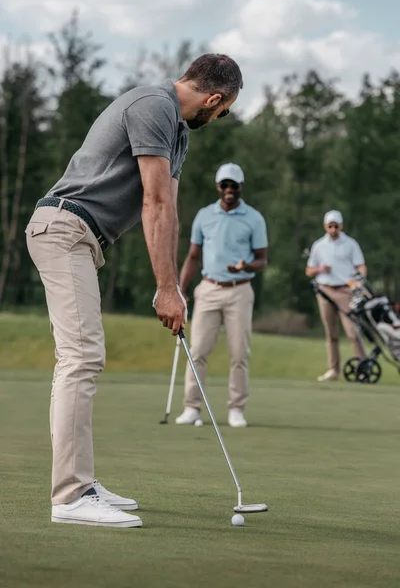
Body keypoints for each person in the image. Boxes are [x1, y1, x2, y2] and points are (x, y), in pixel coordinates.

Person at [24, 53, 243, 528]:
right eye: (224, 111)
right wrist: (165, 289)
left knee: (84, 356)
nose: (220, 118)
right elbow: (155, 200)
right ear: (214, 98)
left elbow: (170, 211)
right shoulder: (153, 105)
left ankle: (82, 482)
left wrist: (173, 289)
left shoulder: (177, 131)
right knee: (81, 356)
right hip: (63, 227)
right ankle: (71, 496)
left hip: (83, 239)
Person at [175, 162, 268, 428]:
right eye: (225, 185)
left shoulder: (254, 218)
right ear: (218, 187)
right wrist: (180, 290)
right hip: (208, 288)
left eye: (234, 185)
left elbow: (262, 260)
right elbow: (194, 256)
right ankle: (192, 408)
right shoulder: (205, 216)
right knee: (198, 351)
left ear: (241, 188)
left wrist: (245, 265)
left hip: (239, 290)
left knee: (239, 353)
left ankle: (236, 409)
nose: (229, 190)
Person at [306, 210, 367, 382]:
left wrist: (359, 282)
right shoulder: (319, 245)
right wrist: (320, 269)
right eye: (330, 226)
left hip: (345, 291)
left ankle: (363, 366)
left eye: (336, 226)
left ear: (341, 226)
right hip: (325, 291)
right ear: (325, 226)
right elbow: (309, 270)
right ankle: (334, 370)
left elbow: (360, 266)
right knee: (331, 333)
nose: (333, 230)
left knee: (352, 332)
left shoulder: (350, 244)